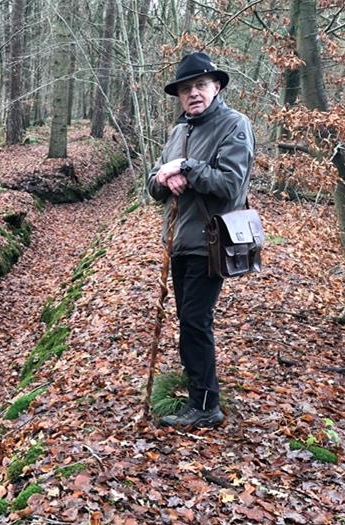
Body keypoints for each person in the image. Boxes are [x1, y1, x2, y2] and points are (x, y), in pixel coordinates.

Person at [147, 51, 254, 428]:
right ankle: (200, 394)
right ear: (178, 96)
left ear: (217, 87)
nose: (193, 93)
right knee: (189, 320)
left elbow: (229, 185)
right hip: (178, 241)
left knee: (194, 322)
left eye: (200, 85)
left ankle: (206, 405)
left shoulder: (234, 125)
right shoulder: (179, 132)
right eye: (185, 88)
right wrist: (163, 177)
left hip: (212, 242)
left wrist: (186, 168)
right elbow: (153, 185)